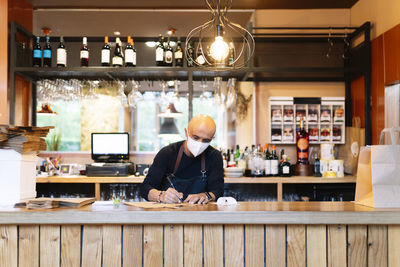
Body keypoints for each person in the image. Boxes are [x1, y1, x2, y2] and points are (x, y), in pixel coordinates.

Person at [139, 114, 224, 204]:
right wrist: (161, 196)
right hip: (168, 214)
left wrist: (206, 196)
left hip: (199, 214)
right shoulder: (167, 153)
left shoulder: (214, 156)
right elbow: (145, 189)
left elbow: (218, 191)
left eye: (206, 140)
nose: (200, 144)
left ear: (212, 139)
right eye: (196, 137)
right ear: (186, 133)